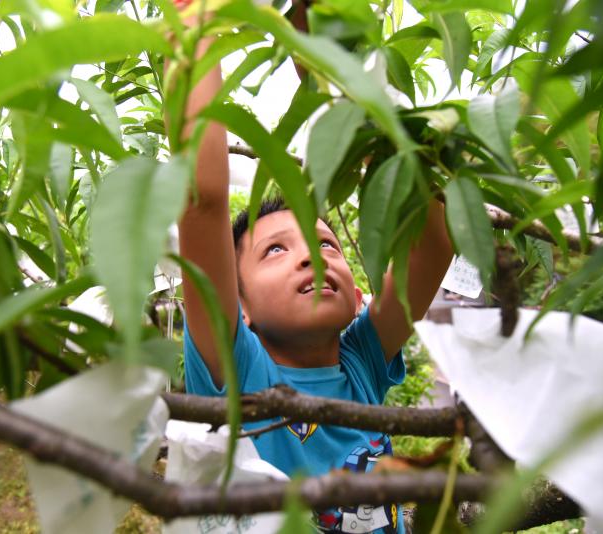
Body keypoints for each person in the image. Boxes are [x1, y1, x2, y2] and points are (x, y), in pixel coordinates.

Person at [172, 6, 453, 533]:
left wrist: (339, 79)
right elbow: (202, 202)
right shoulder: (238, 373)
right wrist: (196, 32)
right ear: (241, 306)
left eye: (326, 243)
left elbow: (433, 243)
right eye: (275, 250)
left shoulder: (361, 364)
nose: (312, 255)